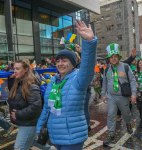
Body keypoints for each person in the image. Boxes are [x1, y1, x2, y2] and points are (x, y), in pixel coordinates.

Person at [36, 20, 97, 150]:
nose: (60, 64)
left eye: (64, 60)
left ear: (73, 64)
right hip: (55, 135)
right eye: (57, 61)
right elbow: (47, 108)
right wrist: (39, 128)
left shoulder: (78, 79)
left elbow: (88, 66)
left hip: (72, 137)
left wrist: (89, 42)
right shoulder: (53, 81)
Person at [101, 43, 137, 146]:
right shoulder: (106, 69)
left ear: (118, 57)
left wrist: (133, 94)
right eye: (111, 57)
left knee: (126, 113)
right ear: (109, 58)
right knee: (111, 114)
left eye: (115, 56)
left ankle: (128, 123)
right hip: (111, 97)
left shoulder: (125, 66)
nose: (113, 59)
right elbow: (104, 83)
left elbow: (132, 80)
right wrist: (103, 94)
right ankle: (111, 134)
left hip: (123, 97)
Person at [7, 59, 42, 150]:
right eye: (14, 68)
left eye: (18, 69)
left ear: (26, 69)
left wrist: (18, 114)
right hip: (24, 121)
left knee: (19, 147)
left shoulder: (31, 85)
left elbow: (36, 107)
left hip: (29, 123)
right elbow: (14, 97)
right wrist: (11, 79)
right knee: (32, 144)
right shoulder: (18, 82)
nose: (15, 71)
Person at [136, 58, 142, 128]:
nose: (141, 64)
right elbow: (133, 82)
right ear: (138, 64)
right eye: (140, 63)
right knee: (139, 107)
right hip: (138, 93)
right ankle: (141, 116)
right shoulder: (136, 72)